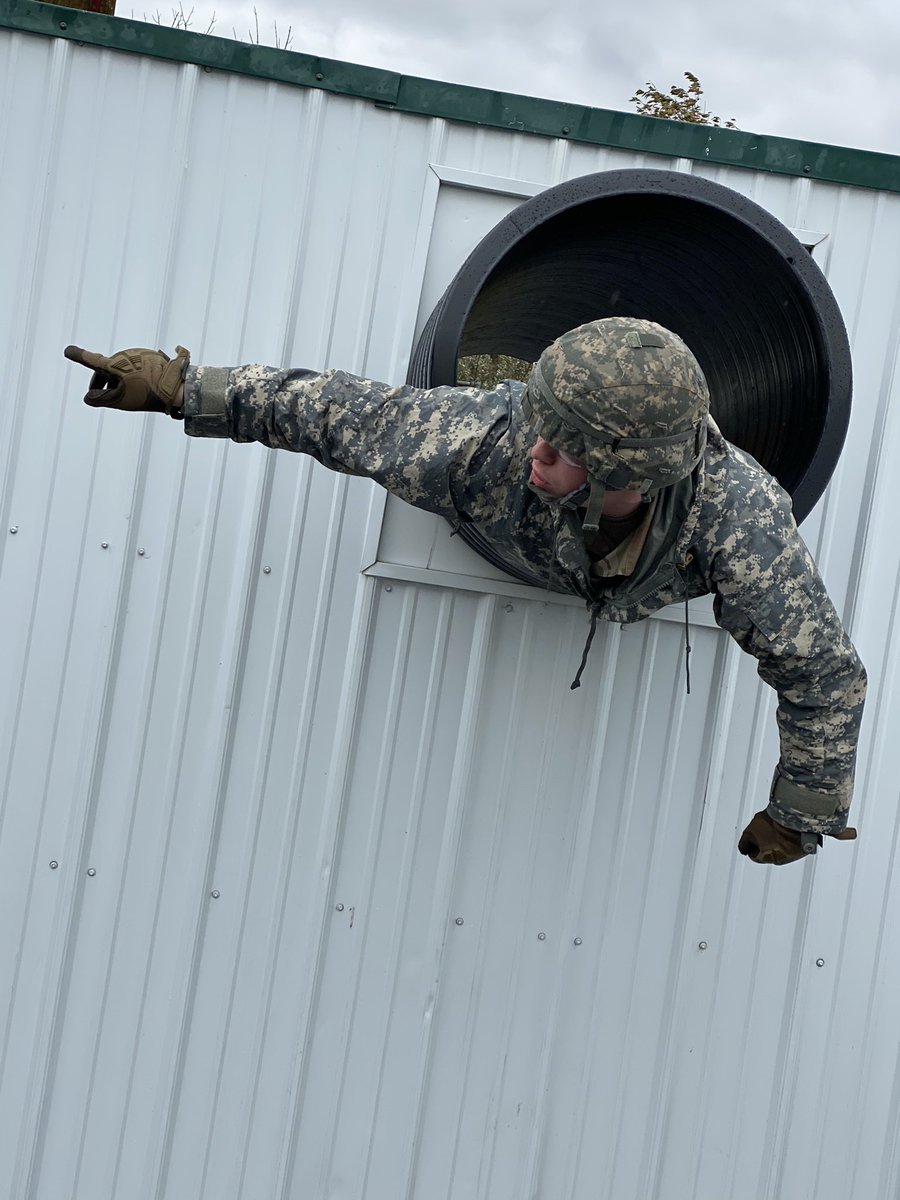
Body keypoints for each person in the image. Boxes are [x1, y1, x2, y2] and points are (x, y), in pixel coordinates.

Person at [64, 317, 866, 866]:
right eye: (537, 424)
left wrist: (801, 812)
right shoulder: (484, 439)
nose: (534, 450)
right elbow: (343, 412)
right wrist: (179, 388)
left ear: (627, 473)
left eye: (562, 447)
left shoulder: (740, 523)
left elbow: (822, 674)